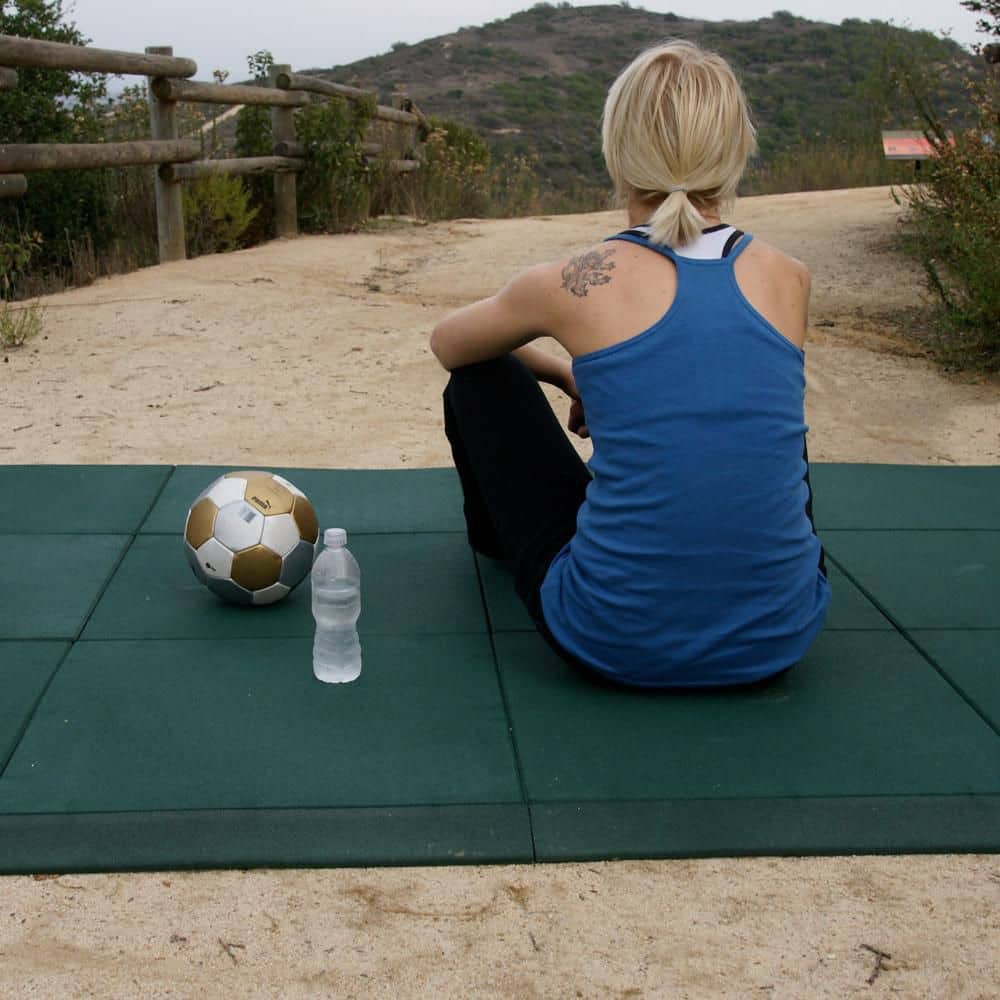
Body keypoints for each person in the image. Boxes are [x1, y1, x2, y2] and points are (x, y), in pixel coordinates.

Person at [430, 40, 831, 688]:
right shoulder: (789, 276)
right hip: (781, 633)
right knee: (759, 400)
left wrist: (564, 370)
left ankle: (499, 543)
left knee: (481, 377)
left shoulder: (572, 281)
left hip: (608, 634)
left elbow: (449, 344)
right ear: (736, 150)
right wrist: (586, 374)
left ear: (618, 152)